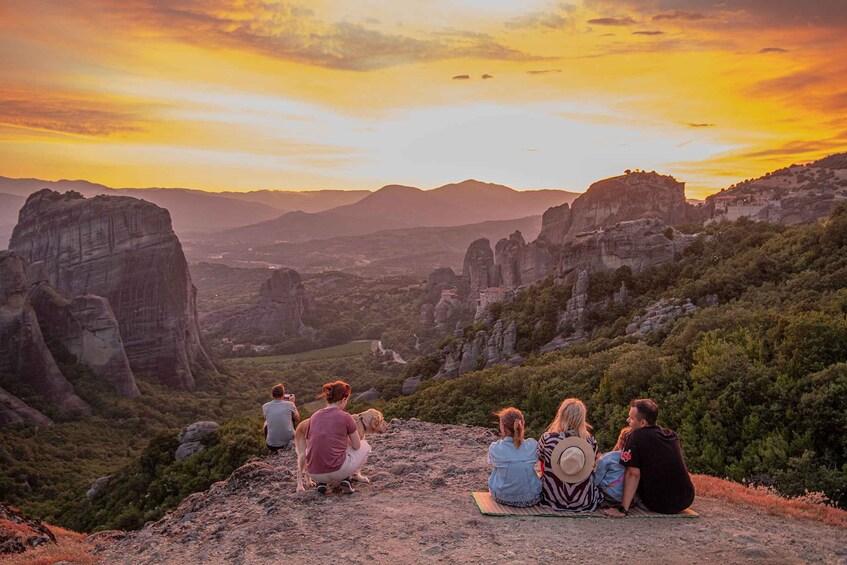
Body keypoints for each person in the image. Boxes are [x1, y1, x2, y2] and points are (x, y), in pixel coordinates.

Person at [605, 399, 695, 517]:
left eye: (631, 418)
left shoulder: (636, 436)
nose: (627, 421)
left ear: (643, 423)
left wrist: (622, 509)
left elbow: (633, 474)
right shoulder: (671, 435)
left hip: (660, 503)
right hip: (686, 498)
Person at [306, 380, 371, 495]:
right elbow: (357, 445)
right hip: (338, 470)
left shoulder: (314, 416)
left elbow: (309, 445)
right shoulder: (345, 416)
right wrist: (345, 438)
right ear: (344, 399)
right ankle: (347, 479)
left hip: (314, 472)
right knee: (365, 445)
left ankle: (321, 483)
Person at [537, 398, 602, 512]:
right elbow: (594, 463)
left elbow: (540, 458)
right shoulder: (590, 442)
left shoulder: (548, 439)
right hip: (584, 501)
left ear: (561, 415)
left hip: (552, 499)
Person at [487, 407, 542, 507]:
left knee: (497, 470)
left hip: (502, 496)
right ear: (522, 425)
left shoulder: (495, 448)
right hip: (531, 498)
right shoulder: (532, 445)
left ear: (503, 428)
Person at [594, 427, 631, 504]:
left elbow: (596, 480)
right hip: (627, 497)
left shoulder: (609, 457)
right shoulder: (636, 459)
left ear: (619, 442)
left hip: (609, 494)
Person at [262, 383, 299, 451]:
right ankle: (291, 438)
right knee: (291, 416)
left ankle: (272, 439)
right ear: (283, 394)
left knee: (266, 422)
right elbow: (297, 419)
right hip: (289, 442)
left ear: (272, 395)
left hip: (272, 446)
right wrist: (293, 403)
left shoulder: (265, 406)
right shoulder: (290, 404)